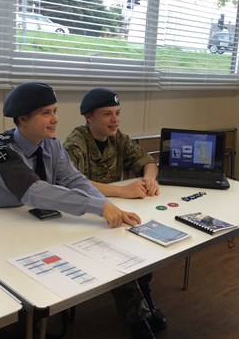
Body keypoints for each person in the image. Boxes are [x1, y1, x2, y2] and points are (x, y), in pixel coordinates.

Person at [0, 82, 155, 339]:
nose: (55, 119)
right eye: (46, 113)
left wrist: (108, 206)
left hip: (25, 218)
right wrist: (98, 206)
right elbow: (36, 192)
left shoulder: (50, 144)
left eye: (55, 110)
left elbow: (74, 179)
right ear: (22, 119)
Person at [64, 87, 165, 338]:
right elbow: (71, 183)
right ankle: (138, 318)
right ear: (89, 117)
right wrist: (121, 192)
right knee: (123, 258)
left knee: (143, 243)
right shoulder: (76, 143)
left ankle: (146, 299)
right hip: (82, 217)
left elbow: (147, 161)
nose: (115, 120)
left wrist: (150, 179)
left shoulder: (117, 137)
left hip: (115, 214)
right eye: (107, 114)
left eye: (118, 113)